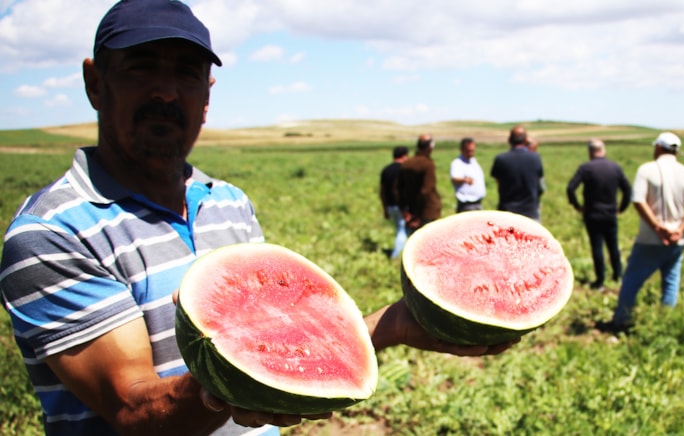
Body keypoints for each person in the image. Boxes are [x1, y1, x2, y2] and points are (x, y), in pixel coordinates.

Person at [0, 2, 515, 435]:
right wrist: (230, 386)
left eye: (187, 73)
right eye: (141, 67)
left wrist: (391, 324)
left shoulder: (228, 201)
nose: (166, 92)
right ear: (95, 82)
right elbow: (134, 410)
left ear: (207, 96)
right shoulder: (50, 233)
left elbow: (279, 339)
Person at [597, 132, 684, 333]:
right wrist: (680, 229)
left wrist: (657, 227)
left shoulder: (646, 170)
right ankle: (665, 326)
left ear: (658, 148)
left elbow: (638, 200)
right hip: (677, 240)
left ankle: (621, 321)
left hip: (649, 240)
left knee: (631, 281)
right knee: (671, 282)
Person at [566, 138, 632, 291]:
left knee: (597, 247)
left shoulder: (586, 168)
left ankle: (600, 280)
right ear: (604, 150)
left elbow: (570, 188)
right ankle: (618, 275)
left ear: (590, 152)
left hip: (592, 213)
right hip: (610, 213)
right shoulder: (615, 167)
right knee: (613, 245)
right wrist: (622, 207)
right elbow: (627, 190)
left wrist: (577, 206)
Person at [490, 125, 545, 221]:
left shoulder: (501, 159)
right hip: (530, 212)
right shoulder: (535, 158)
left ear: (509, 140)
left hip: (507, 212)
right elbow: (539, 184)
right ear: (526, 140)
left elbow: (499, 183)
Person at [394, 134, 442, 233]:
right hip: (428, 211)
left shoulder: (406, 164)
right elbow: (426, 191)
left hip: (411, 210)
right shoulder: (428, 164)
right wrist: (417, 215)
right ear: (430, 147)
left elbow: (397, 189)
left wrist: (404, 210)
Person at [379, 146, 409, 258]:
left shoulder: (386, 170)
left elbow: (382, 191)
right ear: (404, 156)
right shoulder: (404, 169)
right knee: (402, 230)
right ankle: (397, 255)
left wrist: (385, 207)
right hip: (402, 206)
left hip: (390, 206)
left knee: (399, 229)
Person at [449, 137, 486, 213]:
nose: (471, 153)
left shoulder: (473, 161)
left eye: (472, 151)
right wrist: (464, 180)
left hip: (477, 203)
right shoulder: (457, 163)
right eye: (468, 151)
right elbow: (454, 179)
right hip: (466, 205)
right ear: (462, 150)